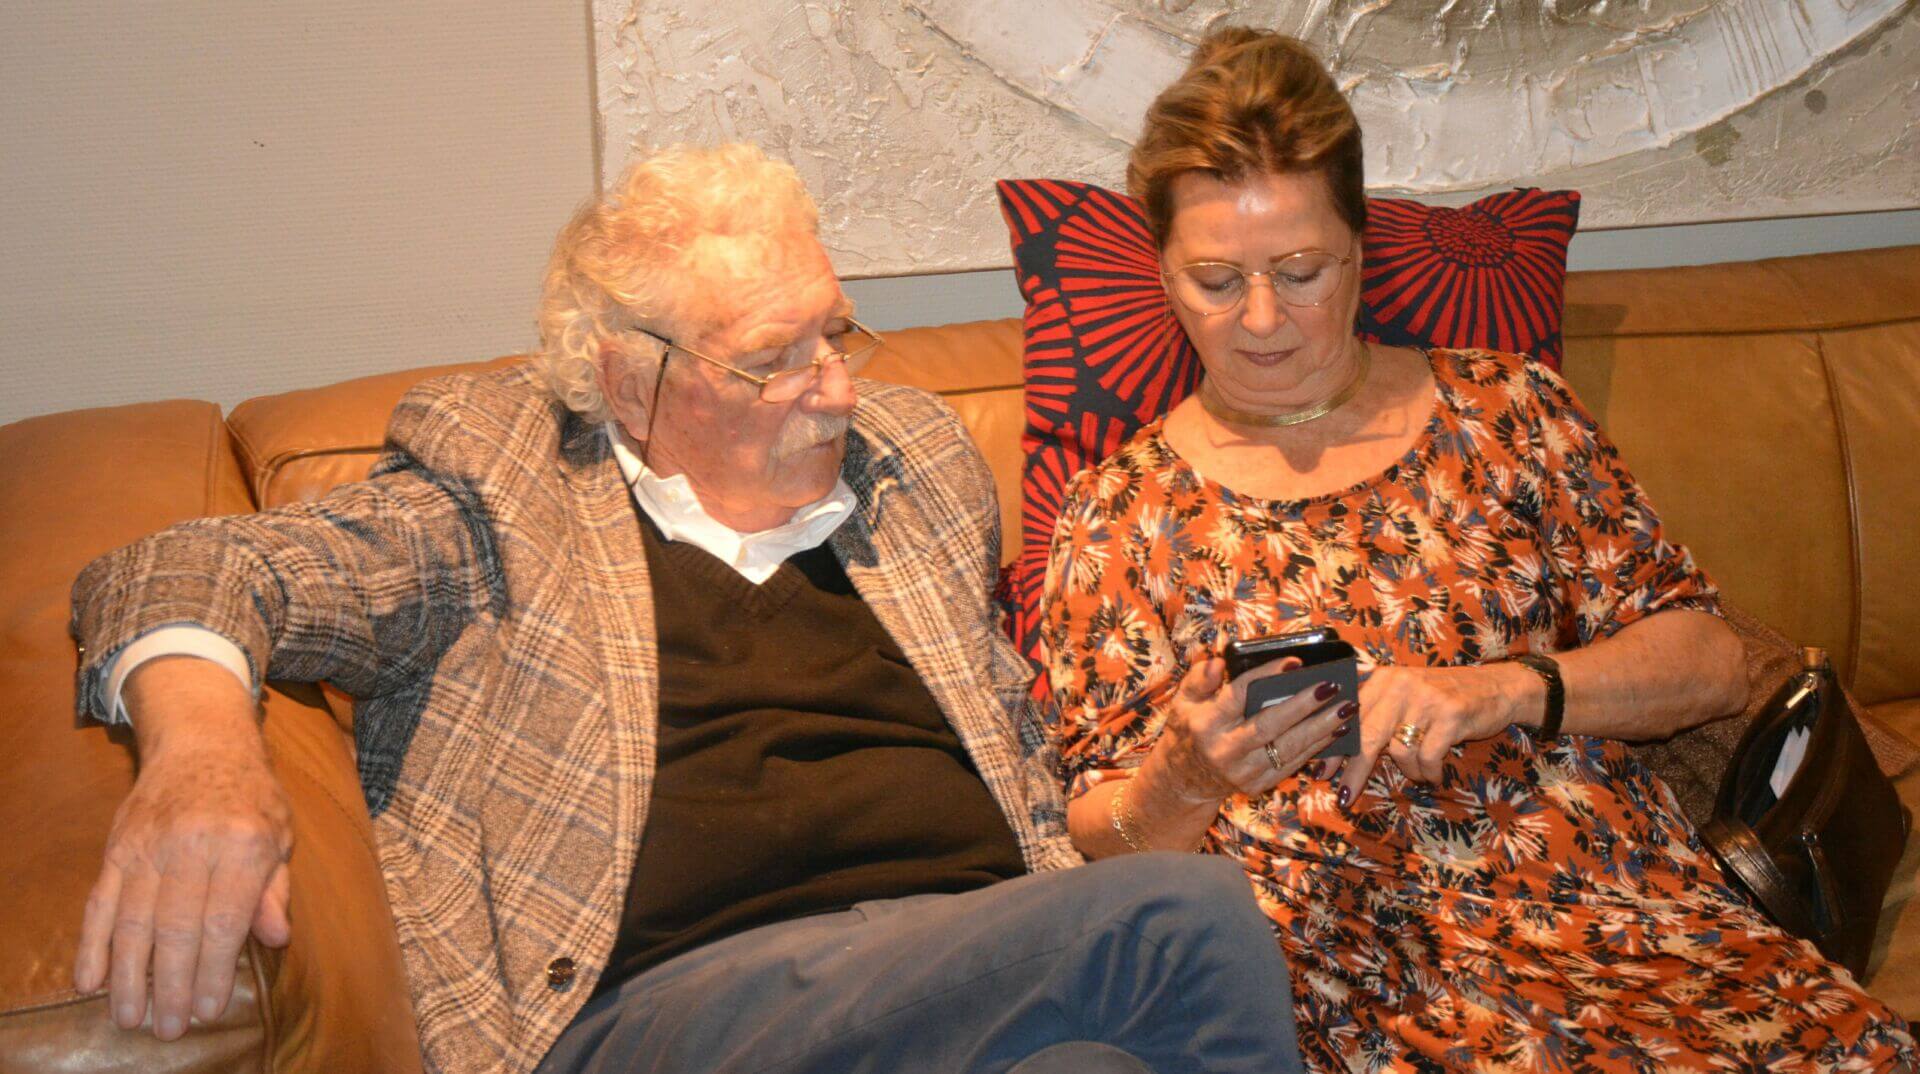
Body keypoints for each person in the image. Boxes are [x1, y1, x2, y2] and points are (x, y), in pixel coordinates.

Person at [67, 143, 1309, 1074]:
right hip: (660, 1010)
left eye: (835, 334)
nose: (837, 389)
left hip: (967, 976)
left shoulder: (916, 461)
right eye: (774, 359)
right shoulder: (501, 482)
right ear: (630, 379)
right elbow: (184, 570)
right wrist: (203, 756)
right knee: (1183, 918)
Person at [1039, 27, 1917, 1074]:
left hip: (1623, 921)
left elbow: (1712, 659)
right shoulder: (1121, 512)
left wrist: (1501, 689)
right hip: (1359, 975)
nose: (1263, 319)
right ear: (1162, 273)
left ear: (1361, 246)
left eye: (1302, 271)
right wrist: (1183, 778)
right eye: (1217, 281)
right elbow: (1101, 834)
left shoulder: (1507, 411)